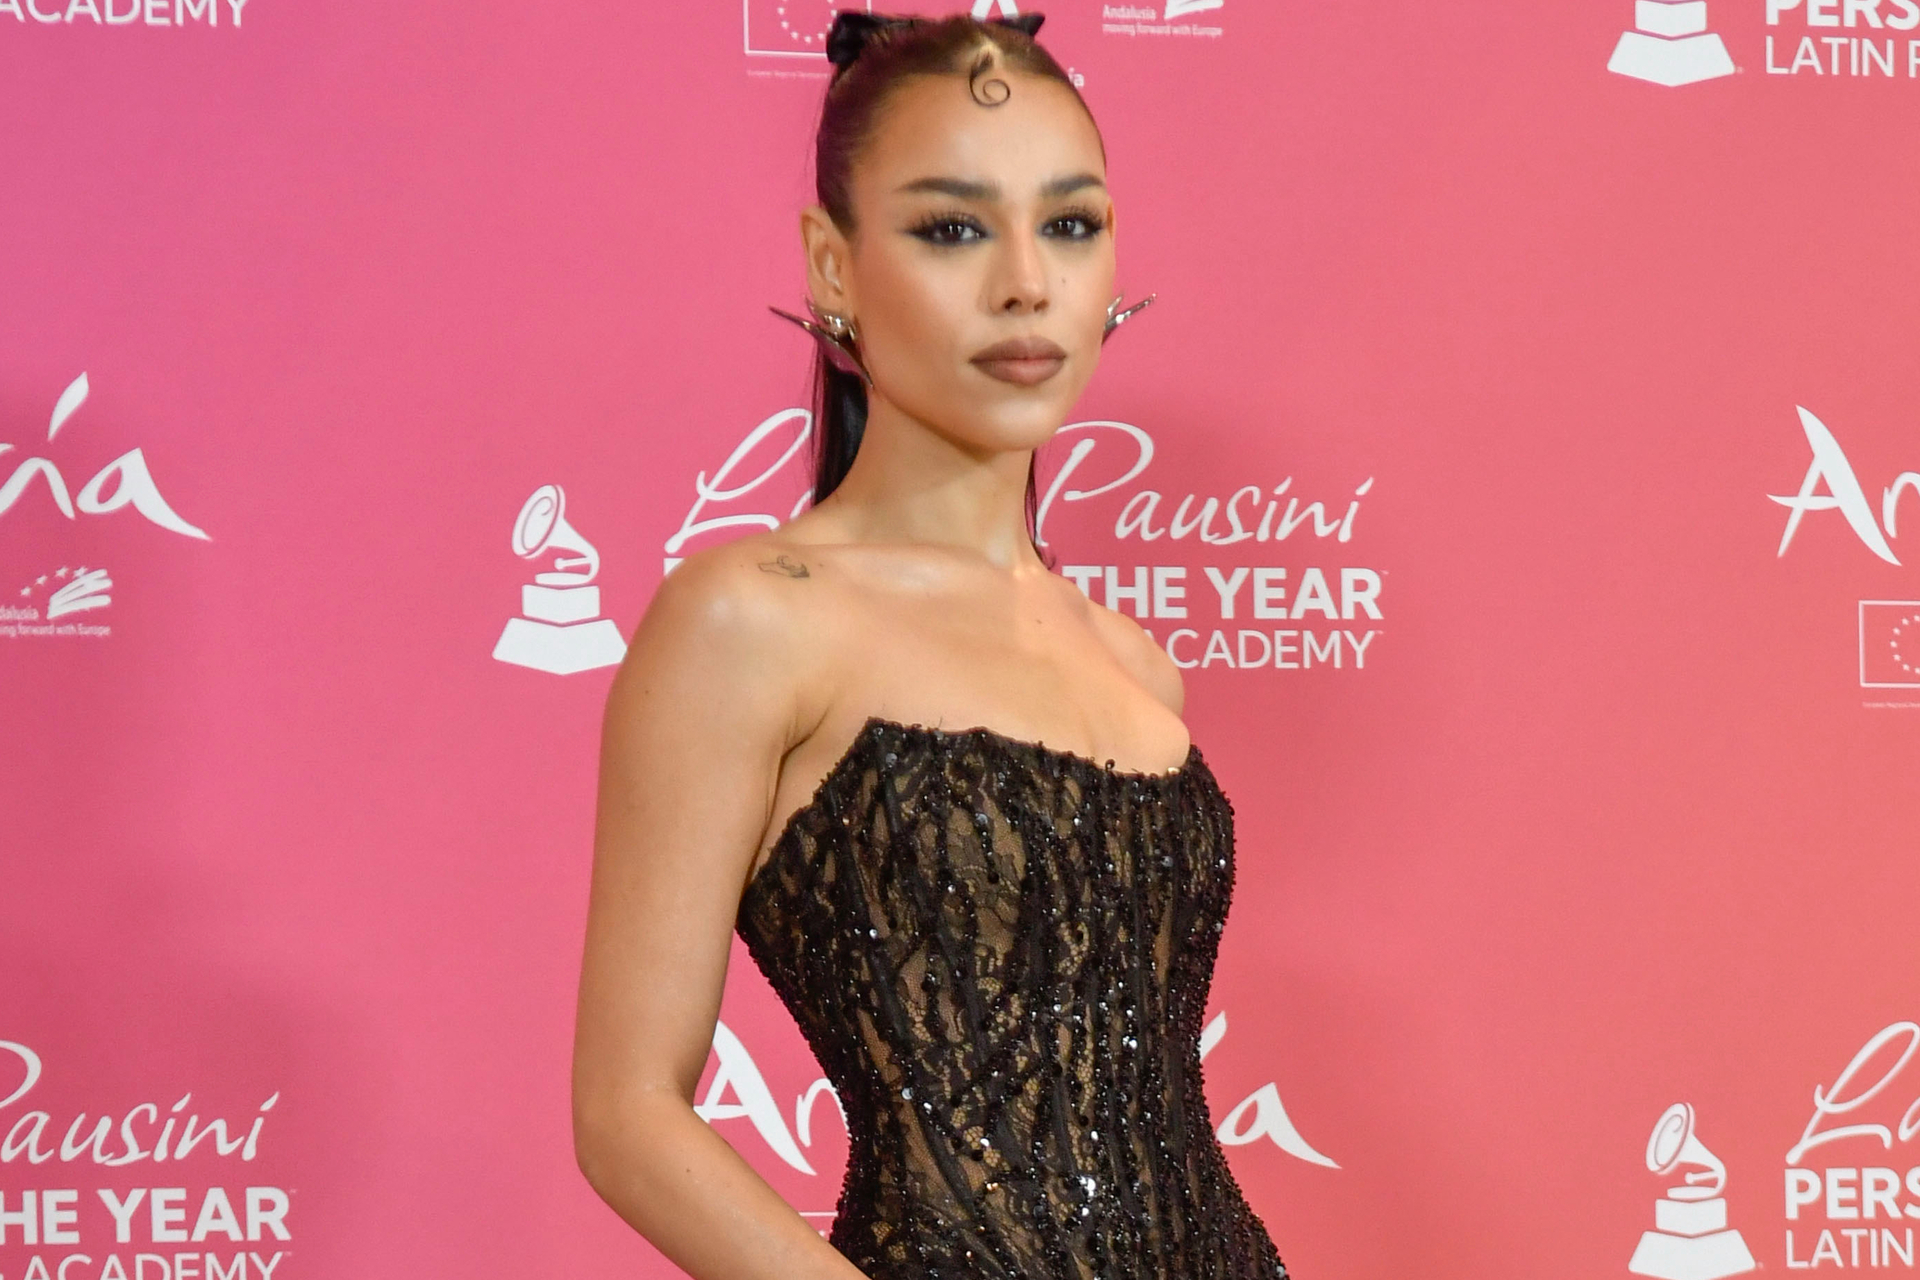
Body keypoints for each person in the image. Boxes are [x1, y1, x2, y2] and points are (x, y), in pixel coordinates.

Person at [571, 11, 1290, 1279]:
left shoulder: (1133, 661)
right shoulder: (750, 616)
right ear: (832, 265)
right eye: (952, 228)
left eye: (1070, 224)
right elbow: (627, 1110)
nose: (1025, 281)